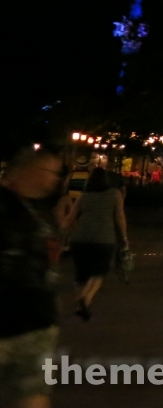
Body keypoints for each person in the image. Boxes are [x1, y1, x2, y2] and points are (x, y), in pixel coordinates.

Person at [0, 147, 64, 408]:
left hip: (37, 323)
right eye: (51, 172)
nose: (55, 179)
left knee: (34, 393)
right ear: (31, 170)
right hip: (6, 321)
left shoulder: (41, 210)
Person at [66, 167, 128, 321]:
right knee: (98, 273)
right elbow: (119, 218)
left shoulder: (83, 196)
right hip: (104, 239)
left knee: (81, 274)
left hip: (79, 239)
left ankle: (80, 303)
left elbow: (70, 218)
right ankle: (85, 299)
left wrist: (63, 235)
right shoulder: (115, 194)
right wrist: (124, 238)